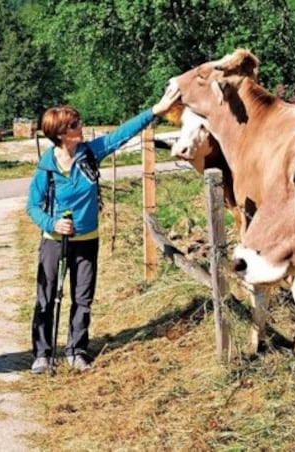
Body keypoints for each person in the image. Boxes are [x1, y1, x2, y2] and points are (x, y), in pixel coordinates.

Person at [25, 85, 180, 373]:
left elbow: (121, 135)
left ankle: (76, 350)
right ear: (60, 133)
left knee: (83, 298)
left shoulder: (89, 154)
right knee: (46, 297)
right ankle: (43, 354)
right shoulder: (45, 168)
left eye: (78, 121)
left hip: (87, 240)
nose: (81, 126)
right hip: (54, 241)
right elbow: (32, 207)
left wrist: (154, 111)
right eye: (74, 124)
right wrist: (52, 223)